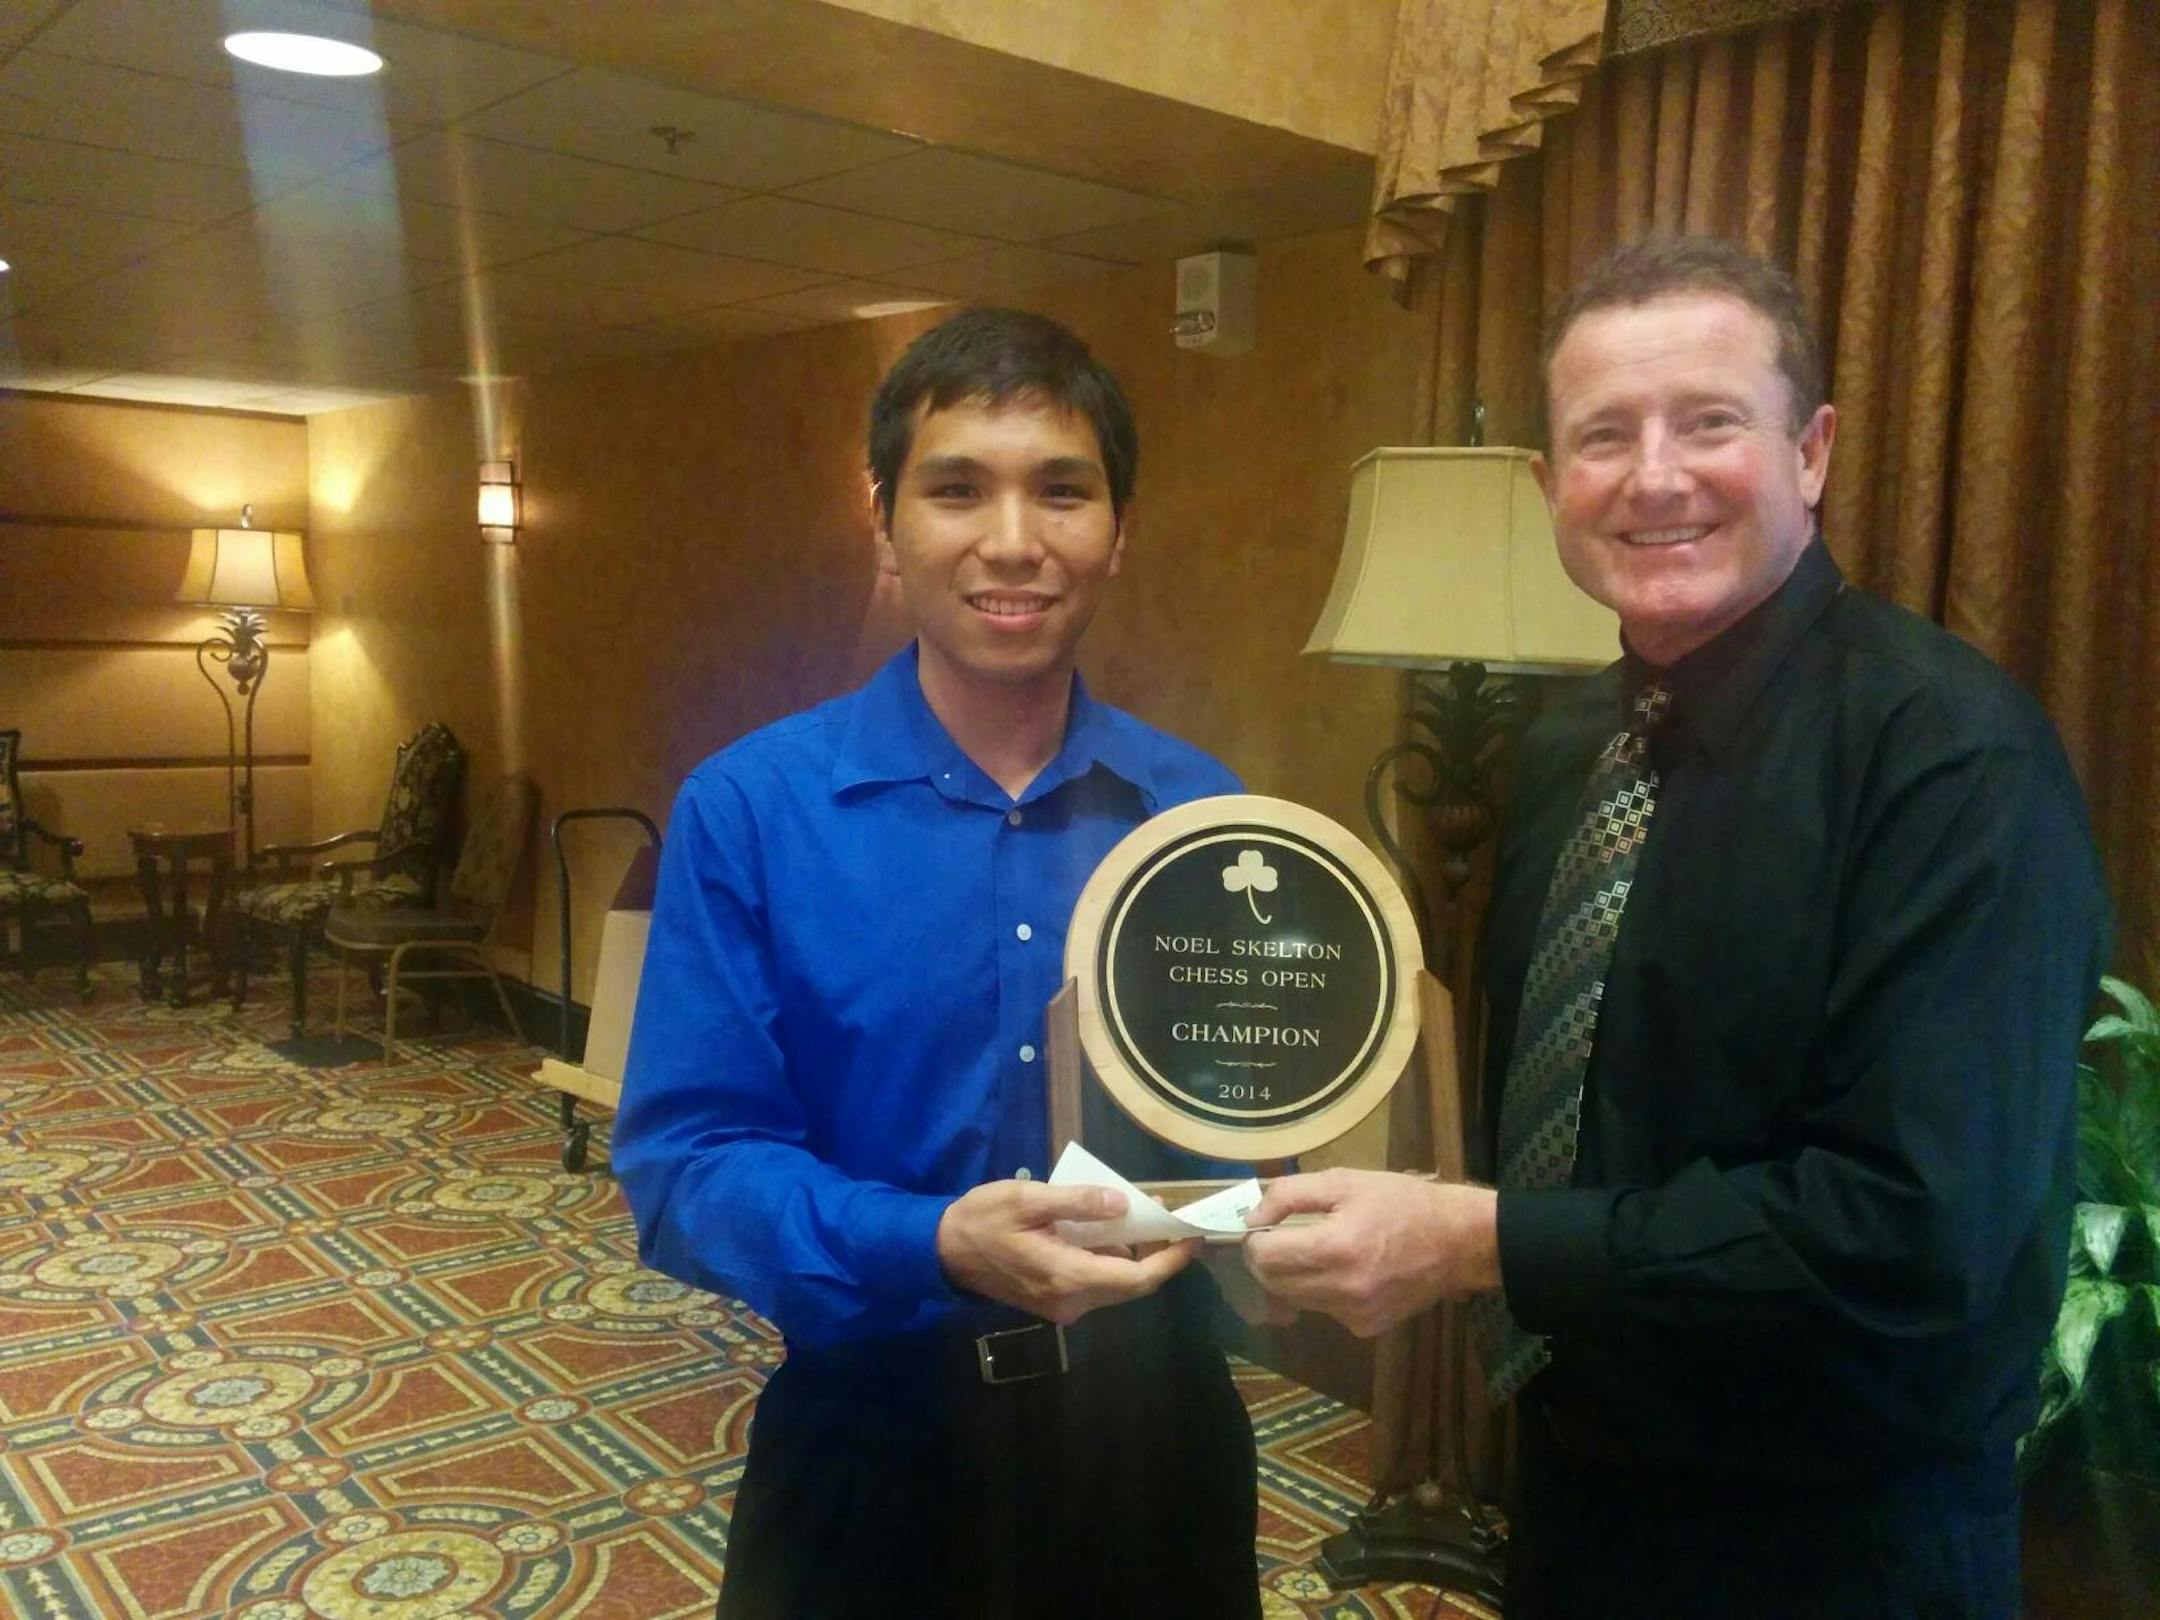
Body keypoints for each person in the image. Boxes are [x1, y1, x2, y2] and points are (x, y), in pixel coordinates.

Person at [1242, 235, 2109, 1618]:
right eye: (1602, 436)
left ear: (1811, 451)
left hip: (1836, 1549)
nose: (1653, 477)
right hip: (1582, 1500)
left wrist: (1475, 1245)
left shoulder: (1950, 759)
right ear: (1548, 488)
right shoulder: (1568, 743)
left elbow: (1912, 1232)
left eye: (1710, 422)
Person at [614, 306, 1262, 1619]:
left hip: (1160, 1454)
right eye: (958, 488)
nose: (1013, 542)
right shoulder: (753, 809)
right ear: (885, 524)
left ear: (1118, 531)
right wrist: (935, 1245)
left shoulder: (1204, 818)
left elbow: (1247, 1119)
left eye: (1062, 492)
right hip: (871, 1461)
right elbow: (686, 1172)